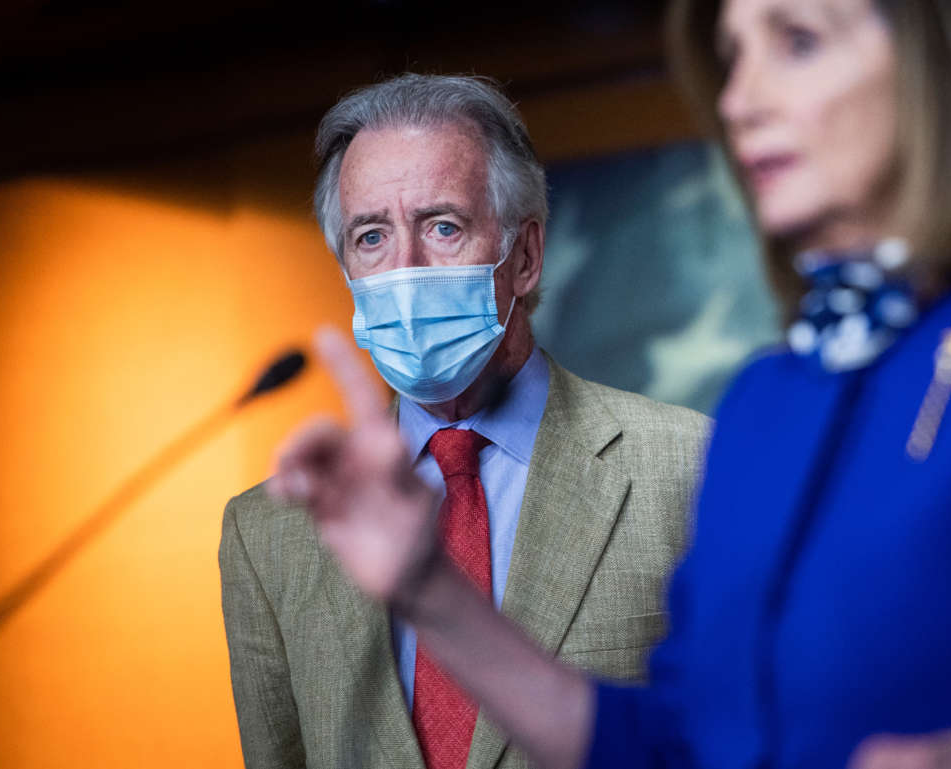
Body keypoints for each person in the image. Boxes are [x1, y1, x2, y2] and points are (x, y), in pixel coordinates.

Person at [267, 2, 951, 769]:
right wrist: (430, 591)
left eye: (796, 42)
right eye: (731, 58)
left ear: (943, 60)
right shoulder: (767, 402)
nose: (740, 99)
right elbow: (678, 744)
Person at [219, 74, 709, 769]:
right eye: (371, 237)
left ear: (526, 257)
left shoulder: (690, 467)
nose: (406, 270)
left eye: (443, 226)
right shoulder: (267, 535)